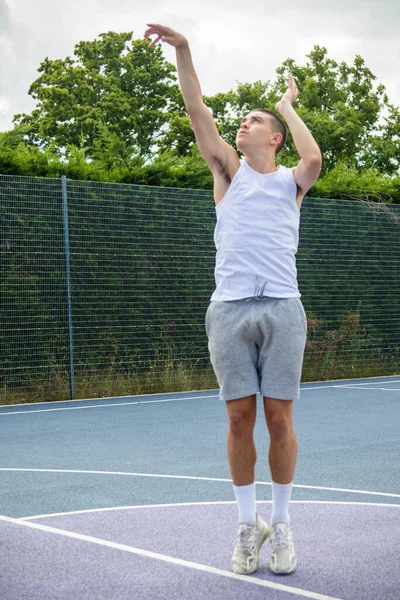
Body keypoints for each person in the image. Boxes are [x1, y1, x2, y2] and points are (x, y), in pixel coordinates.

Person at [144, 24, 322, 576]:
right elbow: (198, 109)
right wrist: (184, 50)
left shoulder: (293, 179)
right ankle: (249, 527)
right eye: (242, 121)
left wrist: (285, 106)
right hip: (229, 309)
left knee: (280, 418)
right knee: (241, 418)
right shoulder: (228, 171)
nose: (244, 123)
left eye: (255, 121)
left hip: (282, 308)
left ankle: (283, 524)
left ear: (274, 138)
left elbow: (313, 155)